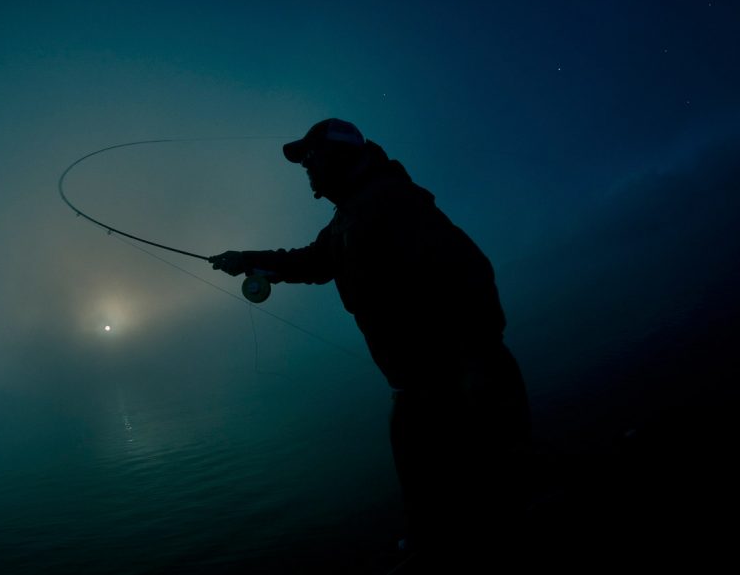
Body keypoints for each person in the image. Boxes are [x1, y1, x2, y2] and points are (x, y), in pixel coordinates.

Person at [210, 118, 531, 564]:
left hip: (459, 379)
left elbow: (469, 270)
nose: (305, 167)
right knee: (441, 497)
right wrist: (248, 260)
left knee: (494, 493)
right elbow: (314, 262)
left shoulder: (391, 201)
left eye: (310, 156)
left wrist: (476, 361)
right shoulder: (349, 217)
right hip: (420, 386)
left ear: (338, 155)